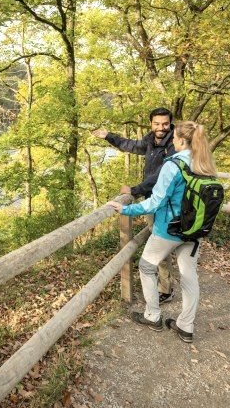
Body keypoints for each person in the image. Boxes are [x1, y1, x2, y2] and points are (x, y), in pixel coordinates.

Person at [108, 121, 218, 343]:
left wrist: (126, 209)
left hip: (169, 229)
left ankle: (153, 316)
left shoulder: (173, 165)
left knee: (146, 267)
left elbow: (155, 202)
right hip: (194, 230)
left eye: (174, 137)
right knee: (189, 275)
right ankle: (186, 327)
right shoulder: (204, 162)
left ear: (179, 140)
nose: (172, 140)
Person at [93, 107, 176, 304]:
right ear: (151, 124)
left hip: (164, 202)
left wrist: (134, 190)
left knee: (160, 243)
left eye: (165, 124)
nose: (161, 127)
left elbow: (161, 175)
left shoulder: (173, 145)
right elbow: (131, 145)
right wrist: (108, 136)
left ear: (170, 123)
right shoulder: (150, 141)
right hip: (152, 200)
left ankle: (165, 290)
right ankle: (165, 285)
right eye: (157, 124)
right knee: (159, 240)